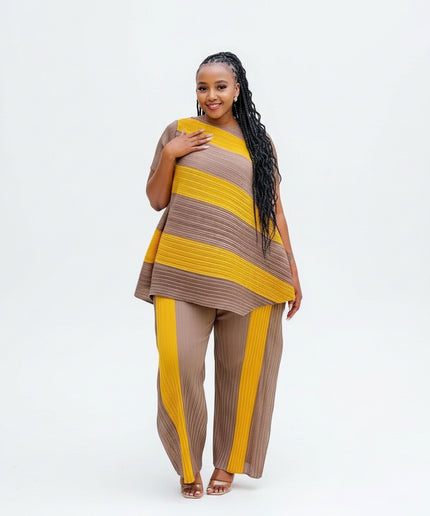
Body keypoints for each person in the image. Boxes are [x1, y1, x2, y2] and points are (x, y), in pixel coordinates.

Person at [134, 51, 302, 499]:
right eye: (203, 87)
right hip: (181, 268)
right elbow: (156, 199)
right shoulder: (179, 132)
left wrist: (292, 269)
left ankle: (227, 464)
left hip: (250, 270)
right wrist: (170, 154)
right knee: (177, 363)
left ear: (237, 90)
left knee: (244, 369)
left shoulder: (259, 144)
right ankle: (188, 465)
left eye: (220, 87)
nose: (211, 95)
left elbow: (274, 210)